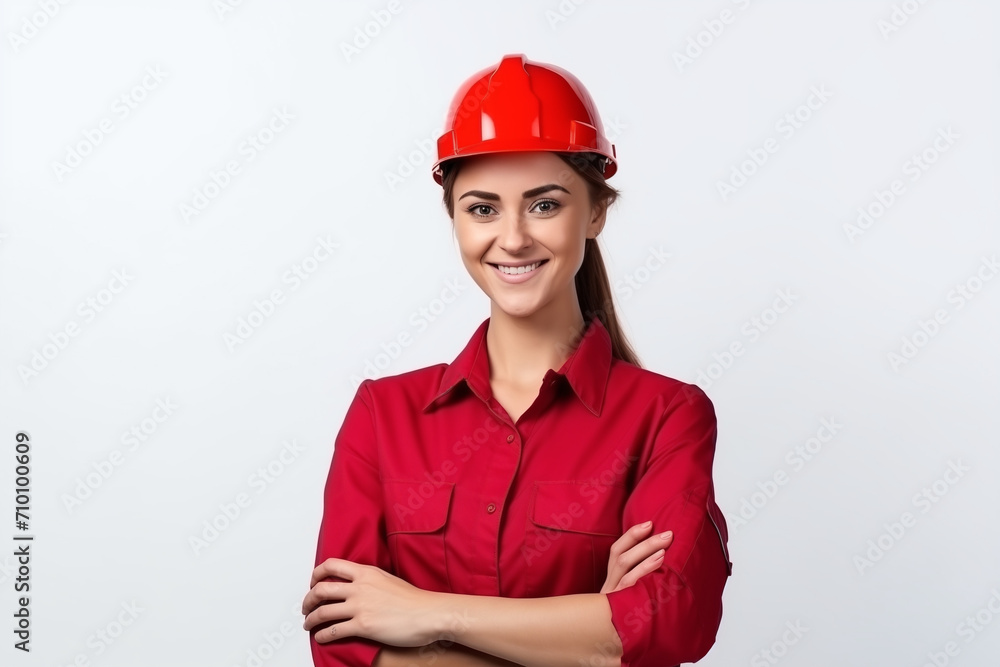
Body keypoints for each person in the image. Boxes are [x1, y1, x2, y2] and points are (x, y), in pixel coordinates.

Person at [301, 53, 733, 667]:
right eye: (482, 208)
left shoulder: (667, 416)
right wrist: (585, 636)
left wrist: (429, 614)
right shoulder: (382, 414)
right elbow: (340, 647)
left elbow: (670, 623)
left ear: (597, 212)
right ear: (453, 217)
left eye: (545, 204)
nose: (512, 238)